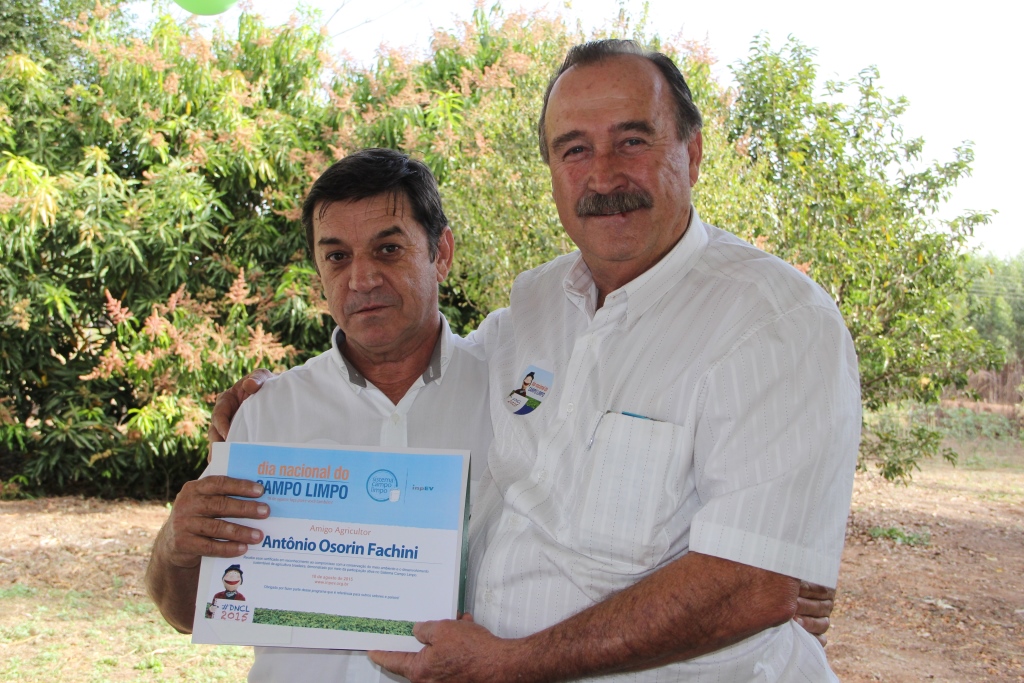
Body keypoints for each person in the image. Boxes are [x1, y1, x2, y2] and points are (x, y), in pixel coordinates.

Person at [362, 40, 860, 682]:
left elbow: (750, 583)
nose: (603, 177)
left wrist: (512, 665)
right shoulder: (537, 303)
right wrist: (268, 404)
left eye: (632, 141)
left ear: (692, 153)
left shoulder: (776, 321)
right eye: (574, 149)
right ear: (551, 170)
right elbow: (419, 378)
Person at [145, 148, 493, 682]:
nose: (362, 278)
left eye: (388, 249)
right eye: (337, 257)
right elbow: (186, 613)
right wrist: (176, 543)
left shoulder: (509, 401)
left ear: (440, 253)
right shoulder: (267, 413)